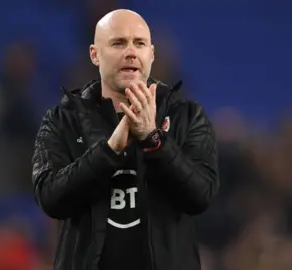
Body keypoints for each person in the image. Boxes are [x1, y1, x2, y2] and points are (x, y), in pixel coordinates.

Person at [31, 9, 219, 270]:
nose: (131, 52)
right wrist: (109, 151)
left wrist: (154, 140)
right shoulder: (62, 120)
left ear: (151, 54)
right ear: (94, 55)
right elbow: (49, 197)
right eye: (118, 43)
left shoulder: (186, 116)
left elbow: (202, 195)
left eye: (139, 43)